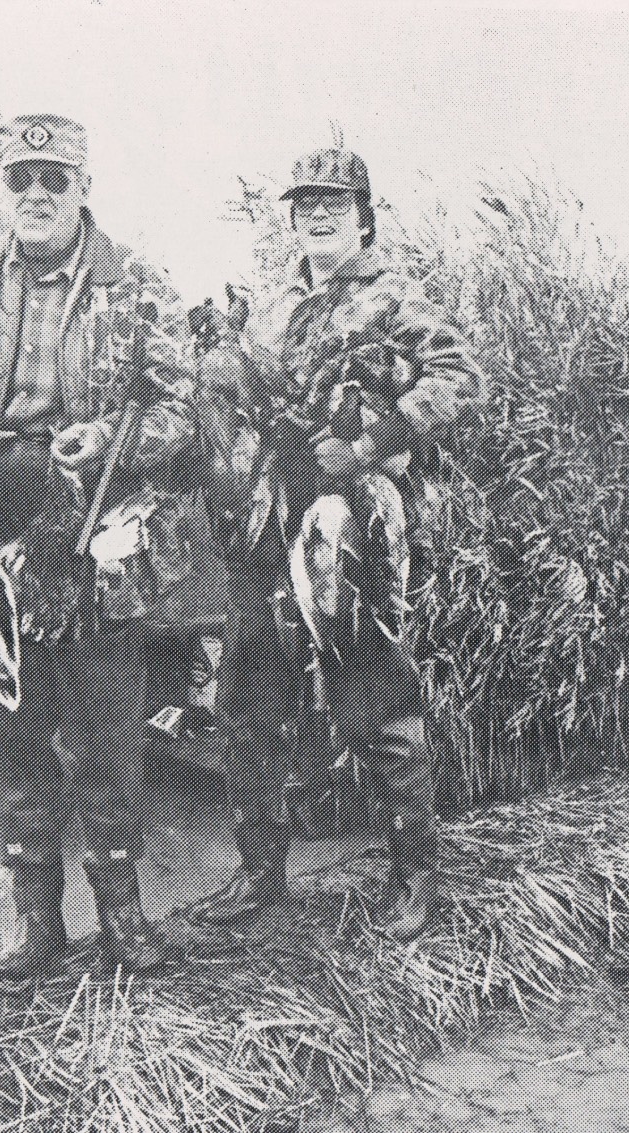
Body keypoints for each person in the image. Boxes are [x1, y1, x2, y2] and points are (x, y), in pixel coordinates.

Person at [0, 114, 220, 980]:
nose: (37, 195)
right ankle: (33, 921)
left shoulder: (136, 281)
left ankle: (123, 917)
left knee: (106, 727)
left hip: (94, 527)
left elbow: (180, 412)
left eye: (55, 179)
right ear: (6, 189)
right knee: (10, 724)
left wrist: (112, 440)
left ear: (84, 185)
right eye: (22, 181)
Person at [187, 147, 484, 941]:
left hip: (345, 515)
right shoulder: (276, 297)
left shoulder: (394, 292)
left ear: (363, 213)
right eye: (305, 203)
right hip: (268, 516)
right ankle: (260, 873)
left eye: (333, 202)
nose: (317, 214)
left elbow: (459, 375)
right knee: (249, 699)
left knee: (374, 701)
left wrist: (369, 442)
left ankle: (415, 876)